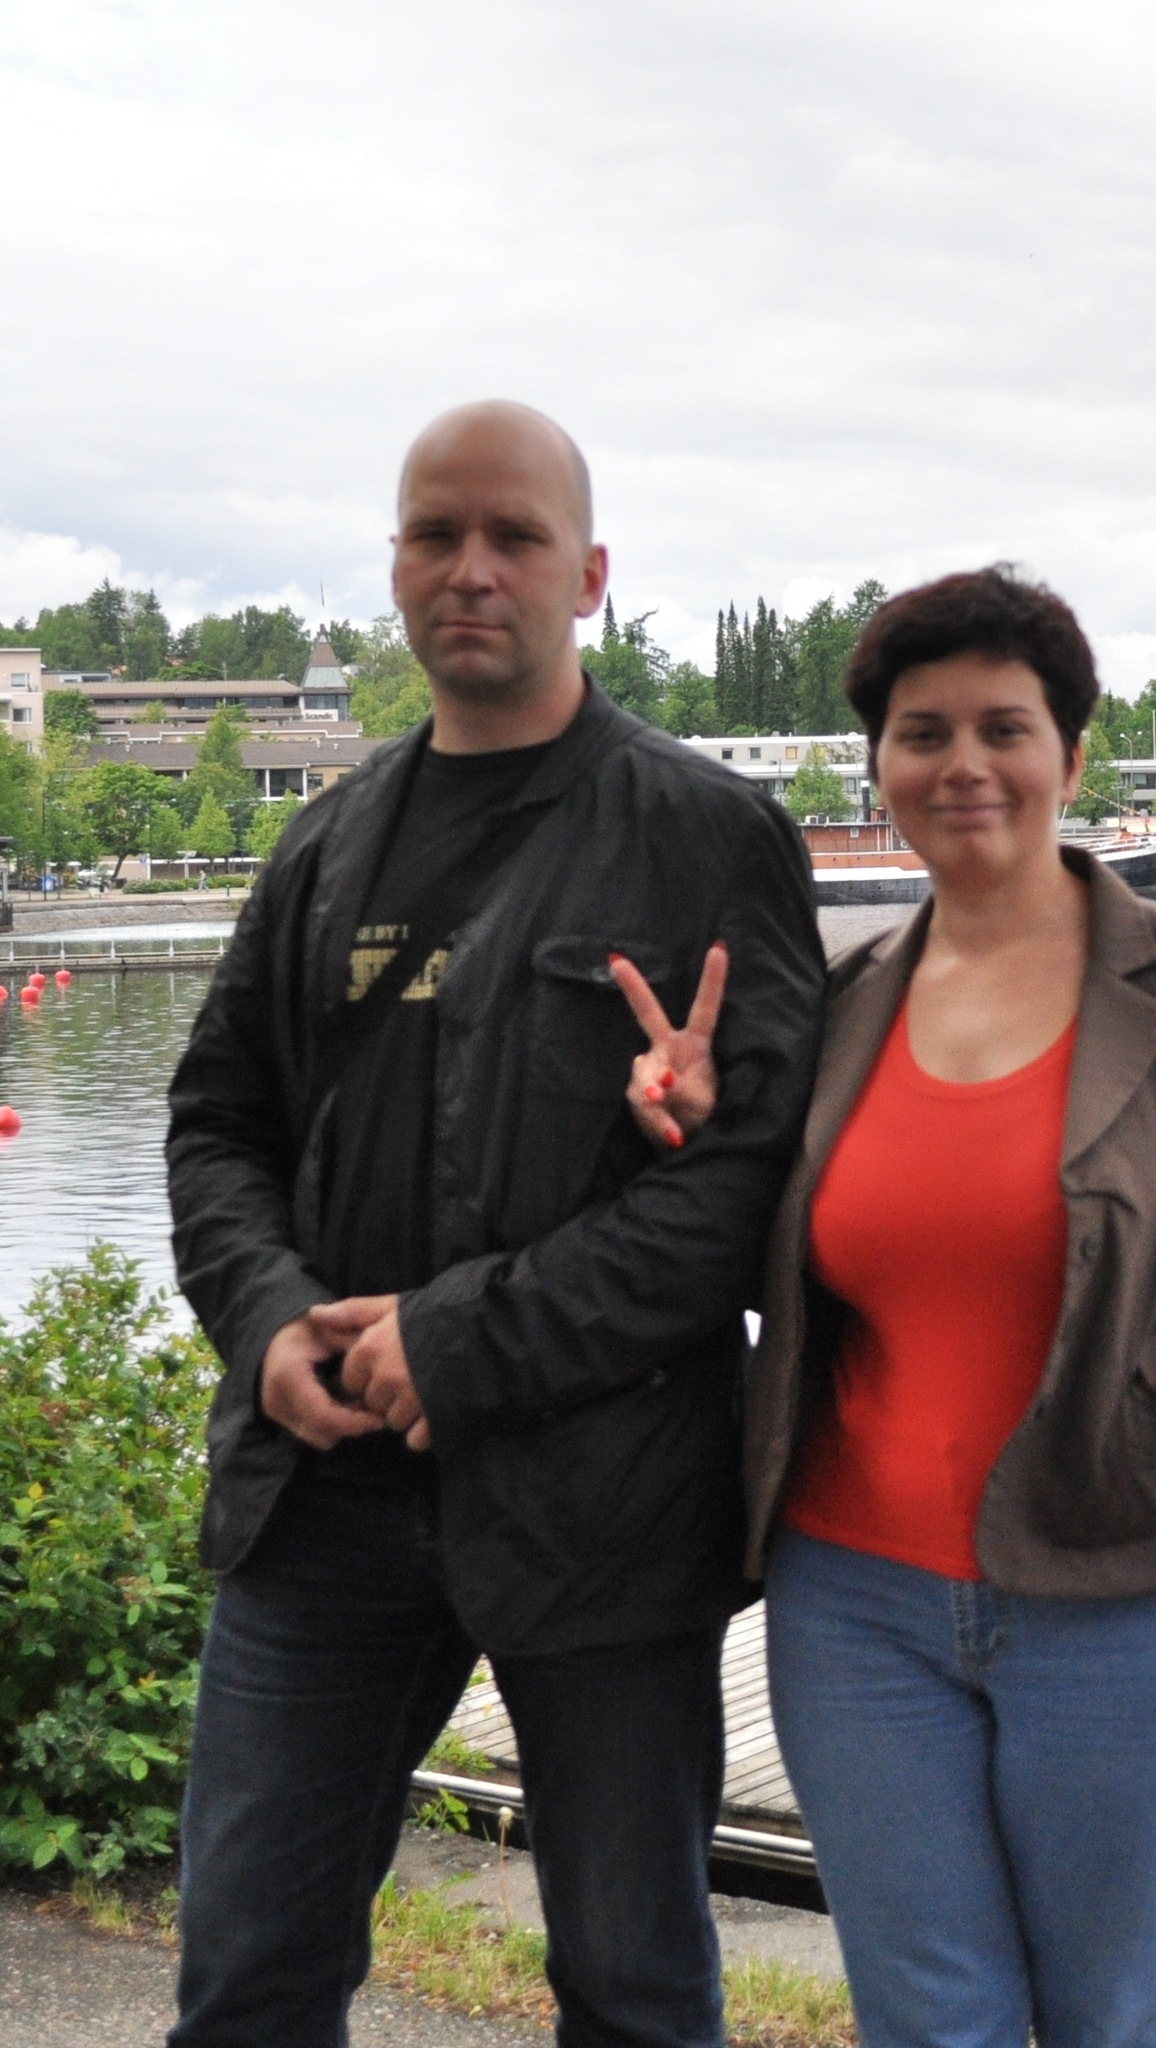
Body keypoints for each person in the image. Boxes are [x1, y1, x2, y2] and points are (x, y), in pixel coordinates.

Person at [617, 567, 1156, 2048]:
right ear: (880, 762)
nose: (964, 765)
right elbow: (788, 1275)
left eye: (1005, 726)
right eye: (922, 732)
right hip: (854, 1610)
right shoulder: (841, 1003)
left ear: (1071, 752)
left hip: (1134, 1594)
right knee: (927, 2022)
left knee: (1115, 2017)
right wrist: (703, 1131)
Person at [164, 399, 825, 2048]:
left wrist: (457, 1341)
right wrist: (267, 1319)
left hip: (607, 1510)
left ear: (588, 575)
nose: (472, 569)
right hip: (322, 1499)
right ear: (394, 566)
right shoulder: (323, 844)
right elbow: (220, 1123)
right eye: (435, 534)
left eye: (515, 537)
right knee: (246, 1977)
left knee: (634, 1988)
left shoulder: (707, 837)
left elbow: (741, 1190)